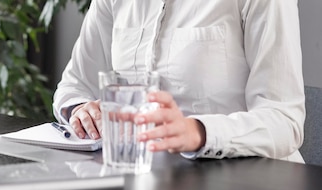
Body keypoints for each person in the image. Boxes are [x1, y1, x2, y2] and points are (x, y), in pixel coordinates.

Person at [53, 0, 305, 162]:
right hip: (150, 184)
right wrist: (81, 110)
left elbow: (285, 121)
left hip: (255, 188)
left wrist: (198, 132)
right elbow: (74, 85)